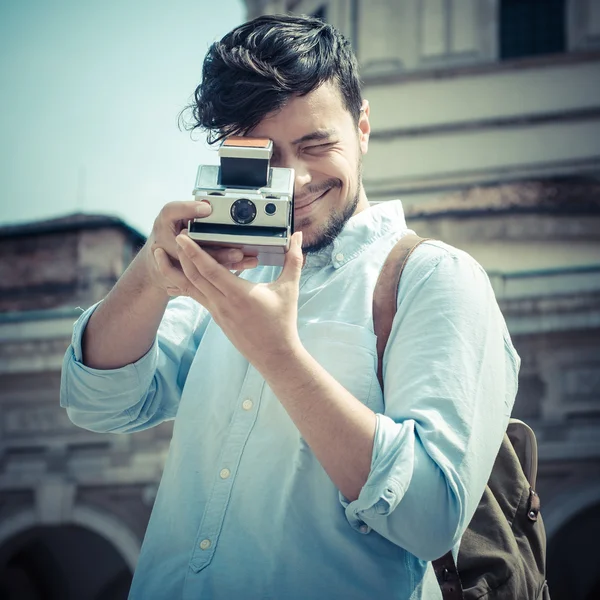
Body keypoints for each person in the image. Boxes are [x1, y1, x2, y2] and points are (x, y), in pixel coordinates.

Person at [60, 14, 520, 600]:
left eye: (316, 144)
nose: (294, 178)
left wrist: (278, 354)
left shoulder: (435, 278)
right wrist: (152, 274)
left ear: (363, 129)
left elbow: (430, 519)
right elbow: (95, 402)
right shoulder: (227, 272)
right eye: (262, 156)